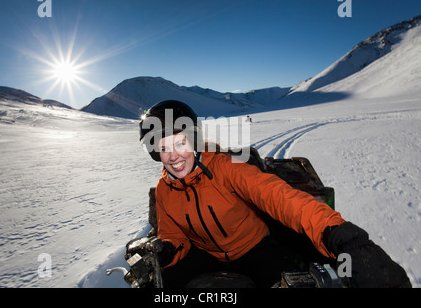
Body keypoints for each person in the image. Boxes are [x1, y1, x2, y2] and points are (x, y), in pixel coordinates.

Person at [138, 100, 411, 288]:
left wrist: (340, 234)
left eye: (180, 143)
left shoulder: (226, 168)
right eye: (164, 148)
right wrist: (167, 249)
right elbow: (174, 235)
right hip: (207, 256)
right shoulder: (164, 191)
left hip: (254, 249)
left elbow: (280, 197)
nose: (174, 156)